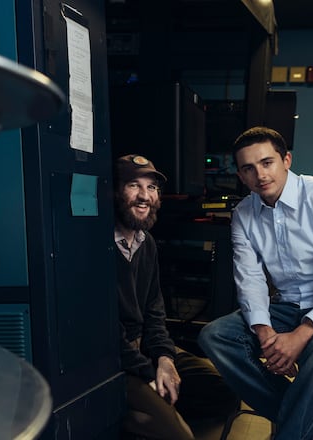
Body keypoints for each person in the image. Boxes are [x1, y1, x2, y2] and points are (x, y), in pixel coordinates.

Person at [197, 127, 313, 440]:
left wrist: (302, 333)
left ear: (287, 160)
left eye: (267, 162)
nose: (260, 175)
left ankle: (300, 428)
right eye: (248, 168)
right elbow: (250, 279)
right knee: (215, 336)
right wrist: (265, 333)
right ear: (240, 176)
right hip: (289, 305)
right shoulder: (243, 214)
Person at [114, 154, 237, 440]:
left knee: (227, 393)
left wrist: (165, 359)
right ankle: (139, 413)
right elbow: (106, 335)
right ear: (115, 191)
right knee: (181, 436)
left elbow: (154, 311)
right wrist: (149, 373)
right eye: (133, 185)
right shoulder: (96, 244)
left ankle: (153, 410)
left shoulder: (146, 243)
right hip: (117, 362)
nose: (145, 196)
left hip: (146, 349)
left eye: (152, 187)